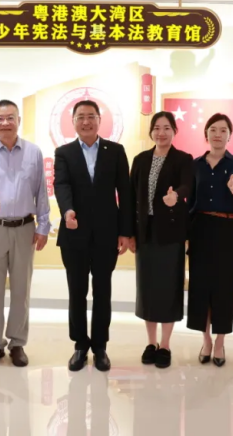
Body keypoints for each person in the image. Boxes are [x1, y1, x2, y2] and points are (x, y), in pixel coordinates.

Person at [0, 99, 51, 368]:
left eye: (10, 118)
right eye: (0, 119)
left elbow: (41, 191)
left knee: (21, 290)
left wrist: (43, 226)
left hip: (25, 228)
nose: (5, 123)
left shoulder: (33, 152)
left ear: (18, 120)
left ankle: (17, 343)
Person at [54, 100, 133, 372]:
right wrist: (67, 211)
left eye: (91, 116)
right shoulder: (64, 152)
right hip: (73, 232)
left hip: (106, 234)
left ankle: (100, 347)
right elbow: (61, 184)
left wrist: (125, 231)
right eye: (80, 117)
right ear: (73, 121)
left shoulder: (115, 151)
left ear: (100, 120)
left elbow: (125, 192)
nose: (86, 122)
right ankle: (80, 345)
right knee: (77, 291)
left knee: (102, 291)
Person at [129, 111, 193, 369]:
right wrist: (130, 232)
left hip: (171, 233)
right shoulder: (141, 160)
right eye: (157, 127)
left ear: (174, 131)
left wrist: (176, 195)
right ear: (151, 132)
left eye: (167, 127)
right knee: (147, 288)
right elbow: (131, 198)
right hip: (145, 232)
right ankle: (151, 342)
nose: (161, 132)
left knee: (169, 288)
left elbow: (188, 185)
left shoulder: (183, 159)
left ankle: (165, 345)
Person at [187, 113, 233, 367]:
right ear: (206, 134)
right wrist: (186, 234)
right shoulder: (195, 165)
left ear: (229, 135)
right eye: (213, 129)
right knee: (200, 287)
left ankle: (220, 342)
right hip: (200, 228)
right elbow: (190, 200)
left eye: (223, 130)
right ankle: (206, 340)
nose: (218, 134)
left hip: (225, 228)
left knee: (223, 287)